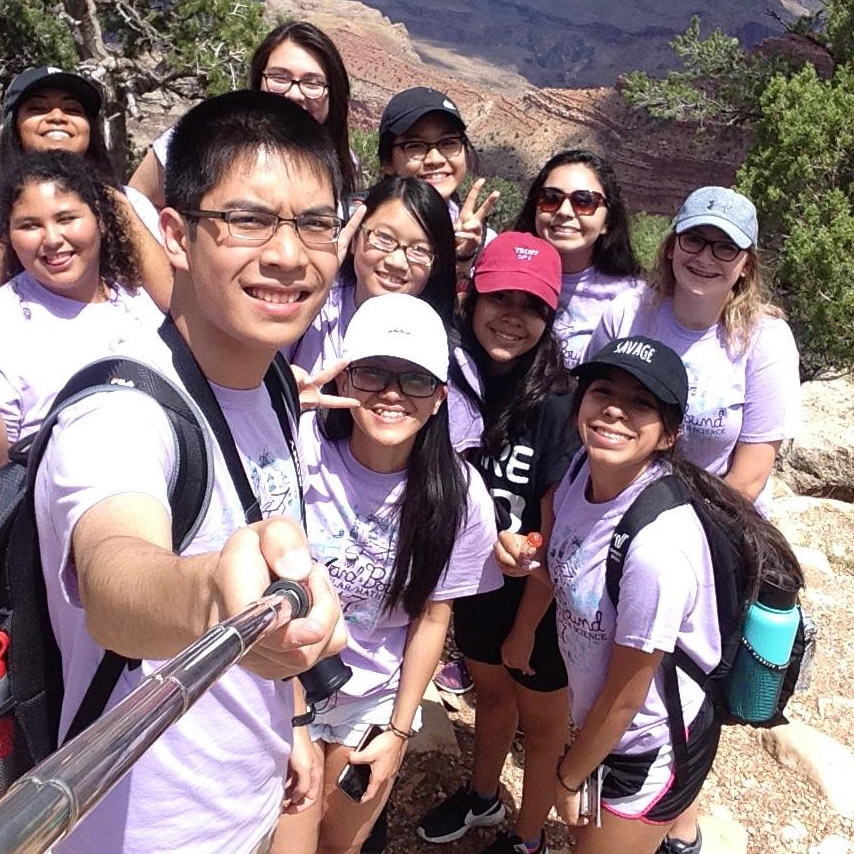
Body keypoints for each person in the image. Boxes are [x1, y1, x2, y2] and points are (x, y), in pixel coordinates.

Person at [31, 90, 348, 854]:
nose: (287, 253)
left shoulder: (271, 380)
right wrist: (214, 593)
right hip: (132, 832)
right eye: (247, 220)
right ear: (174, 233)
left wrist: (294, 720)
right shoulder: (120, 411)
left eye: (316, 223)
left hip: (244, 806)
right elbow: (115, 577)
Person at [495, 336, 794, 854]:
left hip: (650, 742)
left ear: (668, 435)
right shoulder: (578, 476)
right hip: (602, 728)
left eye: (641, 403)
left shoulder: (657, 548)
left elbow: (627, 692)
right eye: (602, 391)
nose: (614, 409)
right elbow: (569, 566)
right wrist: (527, 561)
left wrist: (569, 776)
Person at [276, 294, 502, 854]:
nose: (393, 394)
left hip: (371, 703)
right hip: (283, 689)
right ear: (346, 377)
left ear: (441, 397)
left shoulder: (460, 495)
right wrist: (276, 406)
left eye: (415, 379)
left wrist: (400, 733)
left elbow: (431, 616)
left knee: (342, 846)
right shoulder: (295, 450)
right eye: (374, 372)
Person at [418, 233, 574, 854]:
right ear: (471, 295)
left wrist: (527, 624)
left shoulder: (561, 401)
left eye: (531, 305)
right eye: (499, 296)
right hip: (477, 583)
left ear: (549, 317)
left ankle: (529, 837)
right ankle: (483, 796)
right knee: (490, 693)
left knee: (541, 724)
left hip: (539, 599)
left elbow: (557, 526)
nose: (513, 315)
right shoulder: (450, 375)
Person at [585, 186, 800, 515]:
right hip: (615, 504)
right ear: (671, 247)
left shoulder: (766, 340)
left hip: (718, 517)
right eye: (694, 239)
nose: (705, 258)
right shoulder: (628, 313)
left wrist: (674, 532)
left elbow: (749, 477)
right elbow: (588, 411)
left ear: (746, 265)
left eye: (725, 248)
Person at [0, 150, 165, 464]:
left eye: (66, 219)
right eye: (29, 225)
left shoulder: (139, 294)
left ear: (100, 221)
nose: (51, 239)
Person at [129, 20, 357, 208]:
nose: (295, 94)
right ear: (259, 81)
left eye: (312, 82)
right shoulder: (198, 137)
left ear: (332, 93)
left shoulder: (343, 161)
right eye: (280, 77)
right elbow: (135, 205)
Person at [1, 66, 172, 308]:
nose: (58, 117)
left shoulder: (130, 201)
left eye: (72, 110)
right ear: (14, 125)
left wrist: (113, 202)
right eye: (38, 108)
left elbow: (172, 299)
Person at [290, 174, 456, 377]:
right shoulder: (313, 313)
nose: (397, 262)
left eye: (419, 250)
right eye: (384, 238)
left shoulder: (443, 347)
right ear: (355, 237)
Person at [514, 150, 642, 369]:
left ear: (607, 222)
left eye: (584, 201)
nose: (564, 212)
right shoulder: (504, 276)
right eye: (551, 198)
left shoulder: (636, 301)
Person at [378, 86, 499, 269]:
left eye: (449, 143)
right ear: (388, 161)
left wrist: (463, 259)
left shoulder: (484, 245)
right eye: (415, 145)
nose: (435, 159)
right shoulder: (360, 227)